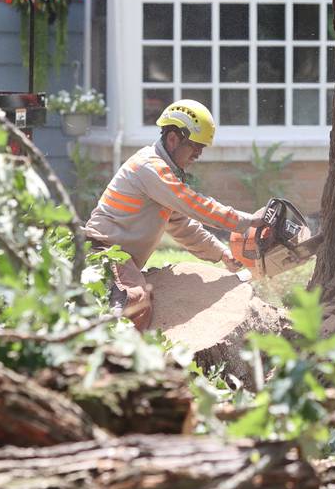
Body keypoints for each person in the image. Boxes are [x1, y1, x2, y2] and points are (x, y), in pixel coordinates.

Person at [83, 99, 264, 330]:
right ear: (172, 138)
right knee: (135, 300)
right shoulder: (150, 167)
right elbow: (195, 204)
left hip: (121, 258)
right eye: (195, 145)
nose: (198, 153)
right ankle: (116, 356)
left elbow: (182, 226)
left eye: (202, 148)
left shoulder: (163, 174)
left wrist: (221, 254)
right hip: (105, 253)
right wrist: (246, 222)